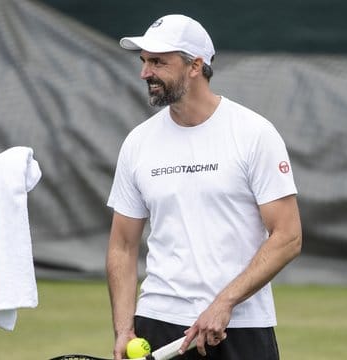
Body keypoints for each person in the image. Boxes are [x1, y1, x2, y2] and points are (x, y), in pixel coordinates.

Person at [106, 14, 302, 360]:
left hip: (240, 326)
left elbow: (287, 236)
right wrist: (124, 329)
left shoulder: (254, 134)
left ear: (195, 66)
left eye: (158, 62)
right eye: (143, 61)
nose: (145, 73)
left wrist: (225, 302)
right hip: (158, 322)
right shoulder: (137, 143)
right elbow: (122, 245)